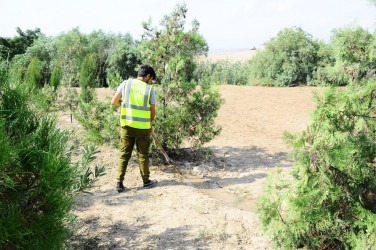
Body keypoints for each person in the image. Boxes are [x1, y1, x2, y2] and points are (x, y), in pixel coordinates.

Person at [111, 64, 158, 192]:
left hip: (127, 126)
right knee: (143, 155)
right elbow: (152, 113)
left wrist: (125, 105)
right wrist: (147, 123)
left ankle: (119, 183)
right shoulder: (150, 90)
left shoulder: (125, 84)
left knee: (124, 154)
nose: (151, 81)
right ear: (148, 76)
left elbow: (114, 102)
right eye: (151, 79)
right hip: (143, 128)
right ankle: (146, 181)